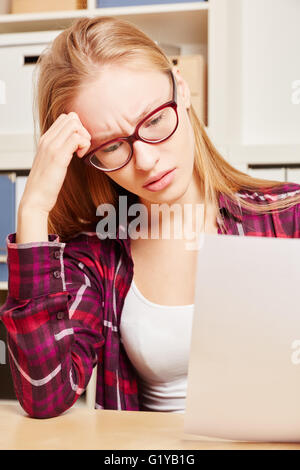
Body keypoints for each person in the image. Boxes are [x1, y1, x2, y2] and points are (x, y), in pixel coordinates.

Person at [1, 16, 300, 419]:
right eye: (111, 147)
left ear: (182, 90)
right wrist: (34, 209)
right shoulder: (97, 256)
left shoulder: (288, 215)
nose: (146, 160)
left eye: (155, 120)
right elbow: (45, 397)